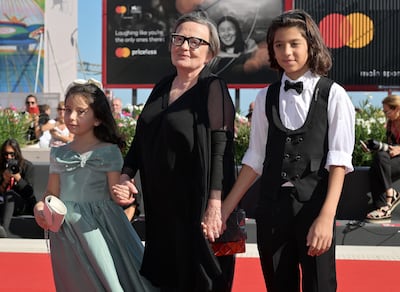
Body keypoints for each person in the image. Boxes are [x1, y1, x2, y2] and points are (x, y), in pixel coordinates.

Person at [206, 10, 355, 292]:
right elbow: (254, 159)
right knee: (277, 284)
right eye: (279, 45)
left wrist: (326, 217)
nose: (287, 51)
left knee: (320, 284)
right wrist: (225, 209)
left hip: (315, 207)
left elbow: (339, 160)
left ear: (311, 45)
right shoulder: (264, 97)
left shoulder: (334, 94)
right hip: (271, 210)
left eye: (294, 43)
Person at [114, 11, 237, 292]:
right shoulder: (162, 86)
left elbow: (221, 149)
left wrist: (215, 206)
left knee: (202, 280)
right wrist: (126, 175)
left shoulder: (213, 87)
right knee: (165, 280)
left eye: (195, 41)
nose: (184, 46)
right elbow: (141, 136)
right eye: (179, 39)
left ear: (210, 53)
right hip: (162, 208)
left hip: (198, 207)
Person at [32, 79, 157, 291]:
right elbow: (51, 193)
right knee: (75, 282)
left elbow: (116, 195)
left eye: (81, 111)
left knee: (109, 278)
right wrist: (40, 208)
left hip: (99, 227)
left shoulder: (109, 151)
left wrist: (125, 196)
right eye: (68, 109)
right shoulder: (59, 153)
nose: (71, 117)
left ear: (98, 118)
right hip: (65, 230)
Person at [364, 94, 400, 223]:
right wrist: (373, 148)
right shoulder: (391, 123)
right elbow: (391, 148)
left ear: (397, 108)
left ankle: (389, 198)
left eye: (387, 111)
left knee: (378, 166)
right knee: (376, 164)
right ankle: (383, 208)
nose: (385, 114)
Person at [0, 138, 36, 237]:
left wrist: (18, 178)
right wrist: (4, 181)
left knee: (10, 195)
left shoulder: (27, 166)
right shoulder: (1, 167)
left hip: (22, 204)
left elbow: (29, 193)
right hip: (4, 202)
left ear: (17, 153)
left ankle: (4, 229)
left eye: (12, 154)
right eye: (6, 154)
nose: (9, 157)